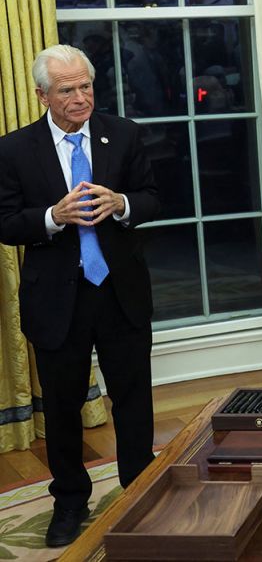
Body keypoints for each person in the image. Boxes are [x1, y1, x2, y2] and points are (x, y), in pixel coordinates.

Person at [0, 45, 160, 547]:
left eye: (86, 86)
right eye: (66, 89)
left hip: (120, 292)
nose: (79, 97)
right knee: (64, 407)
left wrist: (123, 203)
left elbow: (154, 197)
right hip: (57, 301)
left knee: (133, 400)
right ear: (42, 94)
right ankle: (69, 501)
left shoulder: (125, 133)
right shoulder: (13, 149)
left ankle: (141, 491)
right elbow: (5, 222)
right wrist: (52, 217)